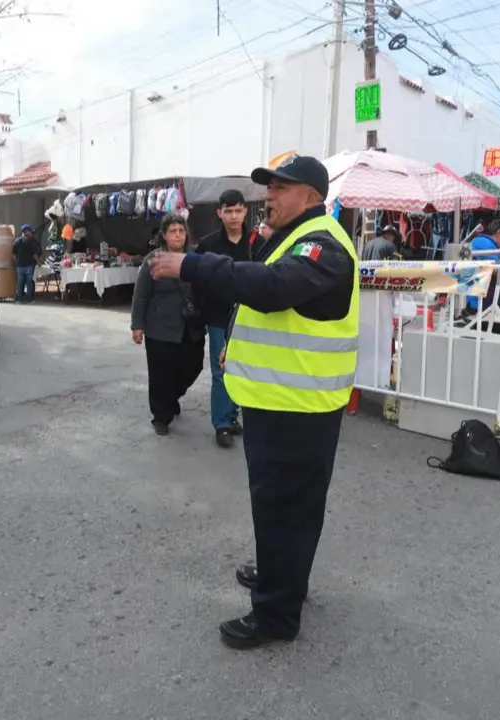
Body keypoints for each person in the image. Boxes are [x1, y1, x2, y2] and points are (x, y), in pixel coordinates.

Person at [148, 155, 358, 650]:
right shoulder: (293, 238)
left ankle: (276, 616)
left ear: (311, 197)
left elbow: (271, 288)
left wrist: (192, 263)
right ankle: (281, 579)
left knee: (286, 508)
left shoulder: (323, 245)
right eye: (269, 187)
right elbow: (268, 306)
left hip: (298, 409)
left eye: (281, 188)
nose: (270, 197)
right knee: (281, 508)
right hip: (280, 402)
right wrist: (233, 344)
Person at [131, 214, 206, 436]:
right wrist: (138, 325)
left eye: (181, 231)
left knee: (193, 366)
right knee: (160, 373)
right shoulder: (153, 260)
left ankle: (172, 396)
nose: (177, 235)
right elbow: (141, 294)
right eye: (173, 231)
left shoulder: (196, 258)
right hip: (159, 328)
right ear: (164, 235)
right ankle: (161, 416)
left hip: (190, 327)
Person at [197, 190, 254, 448]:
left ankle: (232, 416)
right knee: (221, 371)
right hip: (218, 316)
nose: (233, 216)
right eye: (228, 211)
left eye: (238, 210)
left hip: (249, 317)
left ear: (245, 211)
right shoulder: (208, 245)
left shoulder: (258, 243)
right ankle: (221, 423)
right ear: (219, 213)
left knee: (241, 369)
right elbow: (196, 278)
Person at [13, 224, 41, 304]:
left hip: (20, 266)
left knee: (19, 282)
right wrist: (38, 262)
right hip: (29, 265)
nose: (31, 233)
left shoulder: (17, 241)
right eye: (30, 231)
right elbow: (34, 254)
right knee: (29, 282)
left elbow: (13, 253)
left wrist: (16, 262)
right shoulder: (30, 241)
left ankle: (19, 299)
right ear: (25, 232)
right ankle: (29, 299)